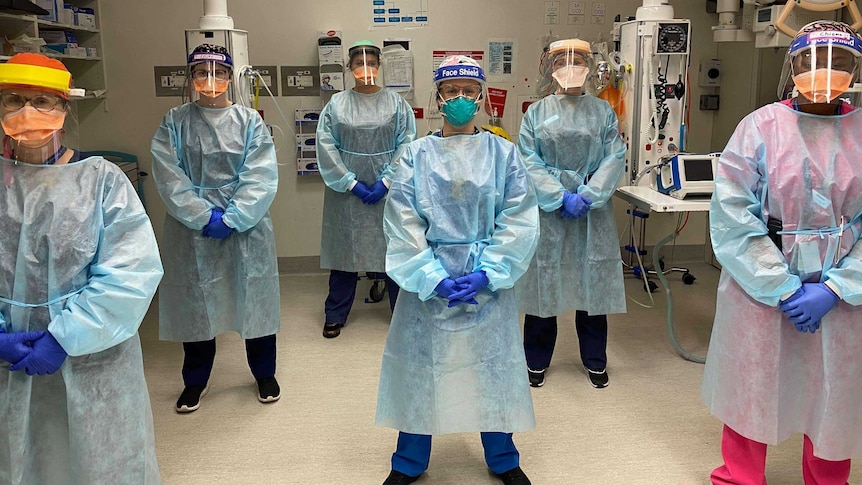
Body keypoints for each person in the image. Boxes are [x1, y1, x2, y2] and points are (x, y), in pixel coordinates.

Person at [703, 21, 862, 483]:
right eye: (812, 61)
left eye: (841, 62)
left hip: (843, 295)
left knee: (835, 395)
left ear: (856, 69)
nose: (825, 72)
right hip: (760, 284)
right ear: (792, 66)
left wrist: (838, 288)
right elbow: (732, 215)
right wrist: (780, 285)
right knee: (752, 387)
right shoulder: (759, 127)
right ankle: (739, 476)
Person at [0, 53, 163, 483]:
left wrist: (64, 337)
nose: (27, 113)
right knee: (19, 459)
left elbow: (131, 273)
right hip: (5, 361)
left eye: (43, 101)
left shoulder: (103, 181)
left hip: (95, 361)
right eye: (13, 100)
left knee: (101, 463)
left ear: (65, 108)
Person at [376, 55, 539, 485]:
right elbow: (402, 222)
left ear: (482, 97)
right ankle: (409, 461)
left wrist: (490, 272)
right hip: (428, 278)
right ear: (438, 97)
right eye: (452, 91)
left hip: (488, 280)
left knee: (493, 365)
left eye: (470, 91)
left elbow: (519, 218)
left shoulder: (504, 153)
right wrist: (431, 277)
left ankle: (503, 457)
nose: (461, 99)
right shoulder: (415, 155)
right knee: (421, 366)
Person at [151, 44, 281, 413]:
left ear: (229, 77)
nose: (211, 80)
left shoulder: (249, 121)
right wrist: (202, 215)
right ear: (190, 78)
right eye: (201, 73)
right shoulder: (174, 121)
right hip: (191, 228)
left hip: (247, 228)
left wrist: (234, 217)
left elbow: (260, 175)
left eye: (219, 73)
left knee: (253, 298)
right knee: (196, 305)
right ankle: (195, 381)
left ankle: (264, 374)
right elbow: (168, 174)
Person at [515, 39, 626, 389]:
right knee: (543, 287)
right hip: (549, 212)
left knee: (591, 288)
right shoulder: (536, 113)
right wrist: (558, 195)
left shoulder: (603, 112)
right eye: (563, 60)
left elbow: (614, 157)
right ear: (550, 66)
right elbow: (528, 161)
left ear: (590, 65)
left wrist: (588, 195)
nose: (571, 66)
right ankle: (535, 360)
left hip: (592, 212)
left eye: (578, 59)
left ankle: (595, 360)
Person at [317, 40, 416, 338]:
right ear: (349, 68)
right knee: (345, 253)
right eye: (359, 63)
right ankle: (335, 313)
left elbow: (407, 143)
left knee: (394, 248)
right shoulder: (337, 104)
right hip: (346, 192)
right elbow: (325, 145)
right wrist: (350, 182)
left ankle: (402, 313)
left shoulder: (397, 104)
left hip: (390, 190)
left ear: (379, 65)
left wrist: (387, 180)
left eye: (371, 62)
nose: (365, 68)